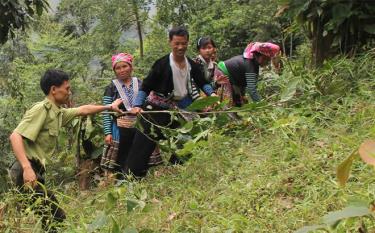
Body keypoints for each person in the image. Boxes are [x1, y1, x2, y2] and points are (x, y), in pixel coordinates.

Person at [9, 69, 123, 232]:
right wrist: (27, 169)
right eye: (67, 88)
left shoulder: (58, 113)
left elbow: (83, 110)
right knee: (55, 218)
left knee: (51, 219)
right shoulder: (41, 109)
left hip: (34, 170)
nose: (69, 92)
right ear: (54, 89)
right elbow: (15, 136)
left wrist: (109, 107)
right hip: (26, 171)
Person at [130, 26, 216, 163]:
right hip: (157, 108)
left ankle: (176, 166)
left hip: (179, 108)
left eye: (183, 43)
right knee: (143, 144)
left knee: (194, 134)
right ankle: (133, 175)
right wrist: (137, 105)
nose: (180, 47)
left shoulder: (191, 64)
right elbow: (145, 86)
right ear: (170, 42)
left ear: (187, 43)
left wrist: (211, 94)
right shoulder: (162, 64)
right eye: (177, 43)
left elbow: (202, 82)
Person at [101, 53, 162, 179]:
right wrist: (108, 133)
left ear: (131, 67)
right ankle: (121, 181)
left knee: (140, 153)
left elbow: (150, 102)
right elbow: (106, 111)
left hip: (140, 126)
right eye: (118, 68)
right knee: (121, 157)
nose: (122, 70)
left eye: (125, 66)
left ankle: (139, 179)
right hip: (120, 129)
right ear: (114, 70)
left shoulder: (140, 84)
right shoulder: (111, 87)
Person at [217, 42, 280, 106]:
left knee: (240, 102)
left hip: (233, 79)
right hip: (223, 75)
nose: (267, 62)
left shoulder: (253, 63)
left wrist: (243, 94)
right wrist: (262, 105)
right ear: (260, 56)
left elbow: (243, 80)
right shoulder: (250, 65)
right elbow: (251, 89)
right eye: (266, 59)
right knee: (230, 104)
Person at [193, 37, 232, 104]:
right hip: (192, 96)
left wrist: (216, 83)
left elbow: (207, 85)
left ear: (214, 49)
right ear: (199, 50)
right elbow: (193, 85)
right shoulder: (195, 63)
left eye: (209, 47)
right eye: (204, 48)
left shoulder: (213, 66)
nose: (207, 50)